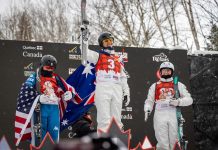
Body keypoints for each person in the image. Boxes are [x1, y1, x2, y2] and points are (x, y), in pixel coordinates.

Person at [84, 32, 130, 132]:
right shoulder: (98, 55)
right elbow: (85, 54)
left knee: (116, 119)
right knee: (104, 119)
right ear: (101, 43)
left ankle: (117, 143)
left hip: (117, 87)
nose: (109, 43)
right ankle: (103, 144)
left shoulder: (118, 58)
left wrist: (126, 92)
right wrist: (84, 40)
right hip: (103, 86)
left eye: (110, 41)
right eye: (106, 41)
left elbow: (123, 77)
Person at [144, 61, 193, 150]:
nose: (166, 72)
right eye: (164, 70)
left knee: (175, 141)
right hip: (159, 114)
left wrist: (178, 102)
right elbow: (149, 101)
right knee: (162, 141)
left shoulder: (178, 84)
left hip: (174, 113)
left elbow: (189, 100)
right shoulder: (155, 85)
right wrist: (147, 109)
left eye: (168, 70)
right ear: (160, 72)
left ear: (172, 72)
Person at [26, 55, 73, 143]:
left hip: (54, 108)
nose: (49, 70)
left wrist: (70, 94)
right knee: (40, 135)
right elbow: (26, 92)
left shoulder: (57, 78)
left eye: (52, 68)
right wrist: (39, 97)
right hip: (39, 108)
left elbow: (68, 88)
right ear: (41, 66)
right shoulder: (35, 77)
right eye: (47, 67)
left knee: (54, 133)